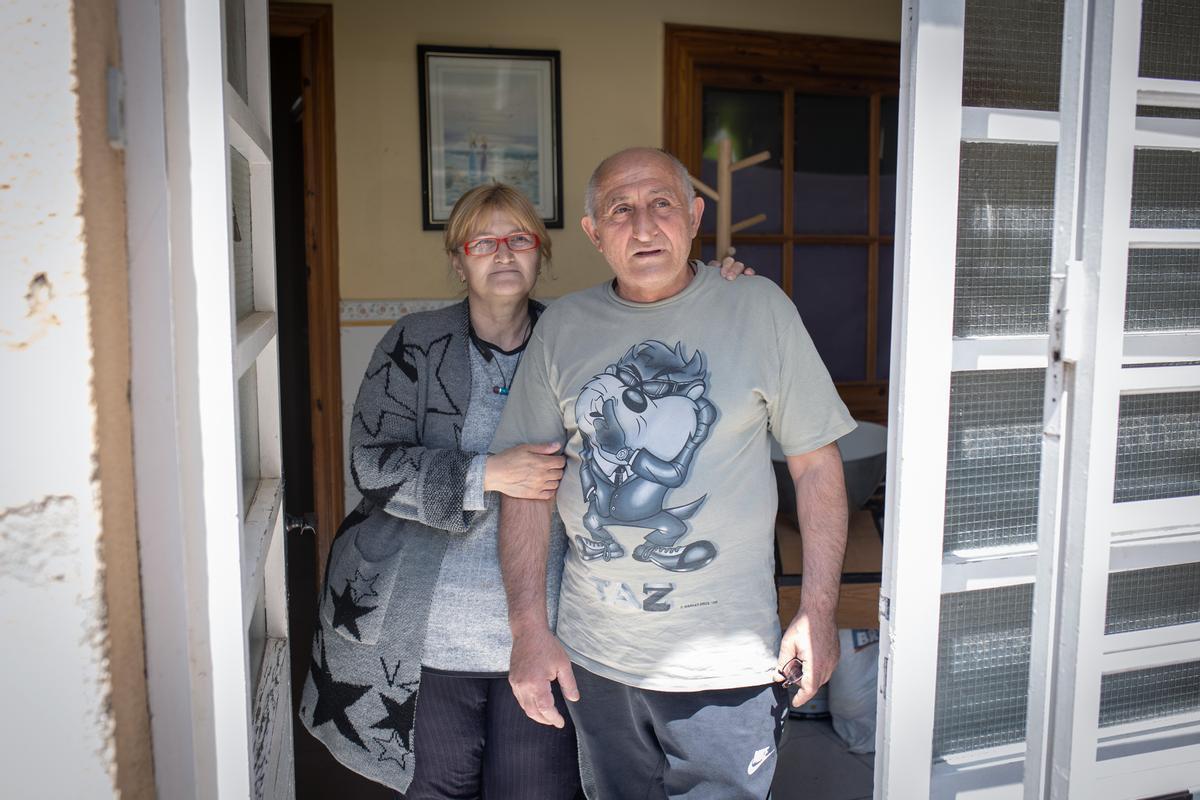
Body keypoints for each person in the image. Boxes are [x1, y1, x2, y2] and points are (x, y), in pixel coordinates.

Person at [298, 181, 752, 798]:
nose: (503, 253)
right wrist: (489, 471)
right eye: (483, 242)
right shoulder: (415, 343)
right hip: (427, 633)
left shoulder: (580, 338)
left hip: (546, 628)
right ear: (459, 260)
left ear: (541, 255)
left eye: (519, 239)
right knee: (438, 788)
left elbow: (668, 327)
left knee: (536, 789)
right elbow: (370, 464)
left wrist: (717, 286)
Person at [492, 148, 855, 799]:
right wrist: (528, 630)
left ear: (693, 216)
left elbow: (817, 465)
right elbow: (527, 487)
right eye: (620, 210)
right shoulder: (564, 328)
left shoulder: (758, 309)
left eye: (661, 204)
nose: (642, 225)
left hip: (729, 666)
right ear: (593, 233)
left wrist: (818, 610)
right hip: (596, 663)